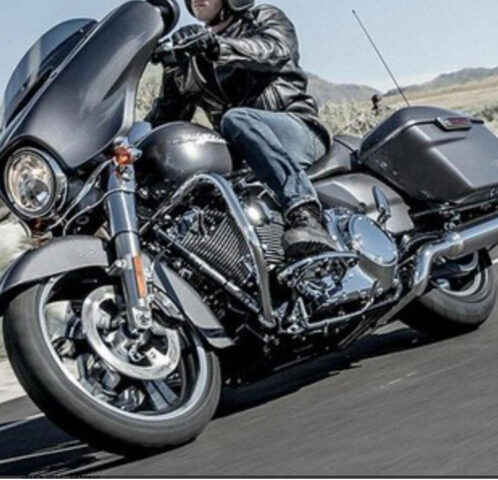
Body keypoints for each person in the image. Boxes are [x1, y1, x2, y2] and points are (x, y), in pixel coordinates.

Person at [147, 0, 335, 257]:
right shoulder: (192, 53)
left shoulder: (262, 18)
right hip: (242, 151)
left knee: (236, 119)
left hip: (297, 129)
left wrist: (216, 47)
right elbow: (166, 118)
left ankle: (305, 213)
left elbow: (275, 49)